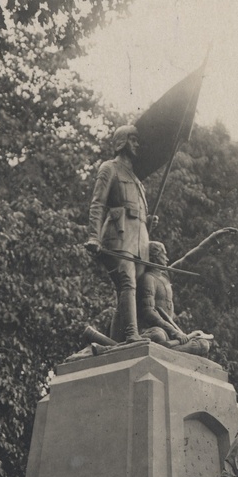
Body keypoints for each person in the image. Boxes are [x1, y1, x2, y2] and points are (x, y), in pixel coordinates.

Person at [85, 124, 150, 343]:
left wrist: (150, 222)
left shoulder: (138, 181)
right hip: (116, 236)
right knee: (126, 282)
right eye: (133, 139)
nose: (137, 144)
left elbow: (138, 214)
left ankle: (115, 342)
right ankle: (131, 335)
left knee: (130, 290)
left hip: (139, 242)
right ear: (121, 142)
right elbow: (98, 204)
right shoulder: (109, 168)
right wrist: (93, 236)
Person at [137, 230, 237, 354]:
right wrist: (174, 332)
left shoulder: (166, 275)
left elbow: (188, 259)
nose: (167, 258)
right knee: (159, 335)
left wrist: (212, 239)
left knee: (203, 345)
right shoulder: (148, 278)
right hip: (154, 330)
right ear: (155, 255)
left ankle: (168, 349)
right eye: (164, 254)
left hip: (172, 334)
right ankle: (168, 349)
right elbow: (148, 311)